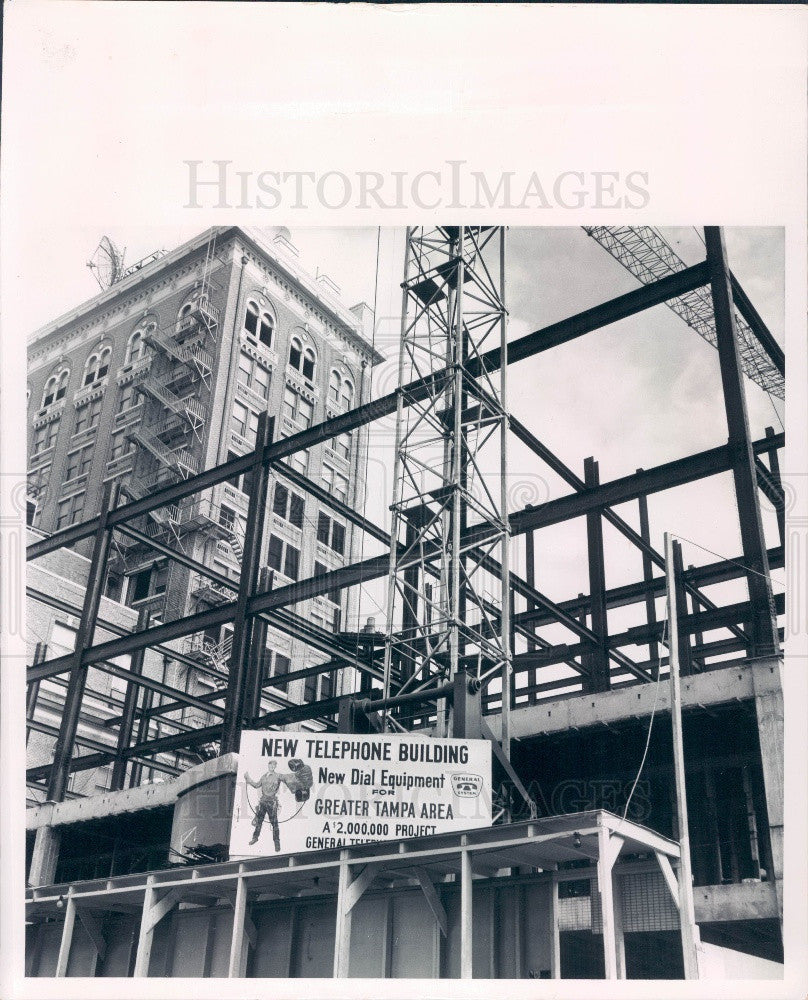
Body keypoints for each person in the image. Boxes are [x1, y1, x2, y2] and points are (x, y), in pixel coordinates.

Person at [244, 760, 295, 851]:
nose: (272, 766)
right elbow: (256, 785)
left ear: (275, 766)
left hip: (272, 802)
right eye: (271, 764)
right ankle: (255, 838)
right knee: (259, 821)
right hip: (263, 801)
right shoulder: (263, 777)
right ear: (268, 765)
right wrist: (248, 779)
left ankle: (277, 843)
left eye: (274, 765)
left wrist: (294, 786)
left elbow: (286, 779)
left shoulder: (278, 776)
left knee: (274, 823)